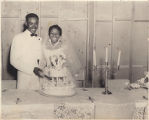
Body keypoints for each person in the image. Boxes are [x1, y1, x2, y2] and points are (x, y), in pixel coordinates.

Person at [40, 25, 82, 96]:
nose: (54, 35)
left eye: (56, 34)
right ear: (49, 34)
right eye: (52, 33)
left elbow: (70, 60)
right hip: (48, 74)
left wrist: (62, 66)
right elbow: (42, 60)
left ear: (60, 35)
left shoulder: (64, 46)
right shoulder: (43, 46)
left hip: (62, 74)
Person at [10, 13, 44, 90]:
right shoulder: (18, 38)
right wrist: (32, 69)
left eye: (36, 23)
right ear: (26, 23)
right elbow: (13, 61)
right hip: (24, 79)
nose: (34, 26)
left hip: (38, 79)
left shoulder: (40, 39)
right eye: (31, 23)